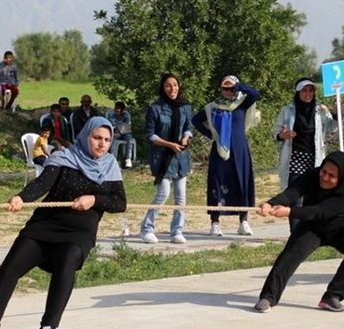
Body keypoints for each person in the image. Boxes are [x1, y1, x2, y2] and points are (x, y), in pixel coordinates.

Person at [0, 117, 126, 329]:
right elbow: (42, 183)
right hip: (45, 225)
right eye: (97, 138)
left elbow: (119, 202)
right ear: (86, 136)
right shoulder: (65, 157)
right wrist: (21, 197)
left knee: (66, 265)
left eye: (106, 140)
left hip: (79, 232)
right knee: (9, 269)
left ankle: (48, 328)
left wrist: (94, 199)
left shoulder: (110, 166)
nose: (102, 144)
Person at [253, 151, 344, 313]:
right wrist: (270, 203)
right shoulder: (313, 175)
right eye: (324, 171)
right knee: (290, 255)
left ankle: (332, 296)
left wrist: (290, 212)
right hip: (314, 226)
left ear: (341, 177)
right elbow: (292, 192)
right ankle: (268, 297)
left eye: (331, 176)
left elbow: (320, 210)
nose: (324, 177)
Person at [193, 75, 260, 236]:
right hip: (219, 150)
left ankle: (243, 221)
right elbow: (196, 120)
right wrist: (211, 135)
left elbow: (255, 94)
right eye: (225, 88)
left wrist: (239, 86)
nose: (228, 91)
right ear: (220, 89)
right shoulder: (213, 107)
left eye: (231, 88)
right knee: (217, 183)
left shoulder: (242, 104)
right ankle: (215, 223)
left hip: (240, 149)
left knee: (241, 182)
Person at [274, 77, 336, 231]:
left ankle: (309, 231)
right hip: (294, 159)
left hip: (314, 160)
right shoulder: (287, 110)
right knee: (295, 197)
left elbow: (332, 128)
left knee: (312, 197)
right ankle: (294, 232)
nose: (307, 94)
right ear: (297, 92)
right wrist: (283, 135)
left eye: (310, 90)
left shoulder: (321, 110)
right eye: (304, 91)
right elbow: (275, 132)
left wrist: (335, 112)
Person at [139, 73, 193, 245]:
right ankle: (146, 228)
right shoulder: (155, 108)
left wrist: (186, 137)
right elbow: (150, 134)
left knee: (181, 198)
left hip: (180, 157)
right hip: (162, 157)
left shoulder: (185, 106)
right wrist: (169, 144)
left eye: (175, 85)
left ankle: (177, 231)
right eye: (168, 86)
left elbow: (189, 127)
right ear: (163, 88)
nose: (172, 89)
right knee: (163, 193)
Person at [107, 101, 136, 168]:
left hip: (124, 132)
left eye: (118, 108)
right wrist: (117, 130)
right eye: (115, 108)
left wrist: (120, 130)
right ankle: (111, 157)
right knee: (112, 137)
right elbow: (112, 126)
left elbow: (126, 127)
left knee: (128, 136)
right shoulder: (111, 114)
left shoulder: (126, 115)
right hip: (114, 132)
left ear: (122, 110)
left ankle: (127, 158)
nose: (116, 110)